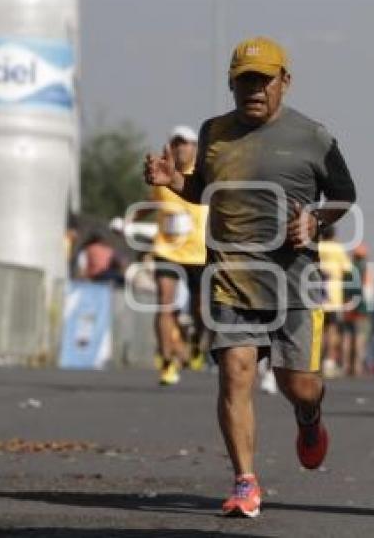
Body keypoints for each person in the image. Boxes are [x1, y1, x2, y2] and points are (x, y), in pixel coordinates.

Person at [144, 36, 356, 518]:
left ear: (285, 82)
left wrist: (316, 221)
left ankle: (309, 416)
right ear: (231, 85)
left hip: (293, 282)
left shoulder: (314, 137)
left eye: (263, 81)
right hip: (230, 278)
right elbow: (204, 191)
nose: (254, 90)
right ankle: (245, 480)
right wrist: (174, 182)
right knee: (235, 374)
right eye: (244, 82)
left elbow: (344, 195)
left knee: (296, 384)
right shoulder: (213, 132)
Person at [145, 126, 208, 385]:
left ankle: (194, 342)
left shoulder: (204, 175)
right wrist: (128, 221)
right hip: (167, 250)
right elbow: (151, 205)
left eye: (186, 144)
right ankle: (167, 360)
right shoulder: (162, 174)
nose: (181, 148)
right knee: (165, 303)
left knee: (201, 309)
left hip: (198, 252)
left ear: (195, 148)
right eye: (176, 143)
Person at [317, 225, 352, 378]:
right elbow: (348, 269)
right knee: (332, 331)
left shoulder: (317, 247)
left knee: (318, 332)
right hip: (334, 296)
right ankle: (329, 363)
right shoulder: (337, 248)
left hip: (317, 295)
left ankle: (316, 362)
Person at [342, 243, 374, 376]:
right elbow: (368, 289)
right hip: (361, 306)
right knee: (360, 336)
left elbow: (343, 288)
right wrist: (368, 308)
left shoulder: (348, 269)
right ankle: (357, 366)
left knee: (347, 336)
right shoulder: (366, 269)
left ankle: (346, 365)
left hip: (348, 304)